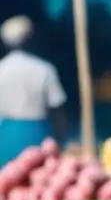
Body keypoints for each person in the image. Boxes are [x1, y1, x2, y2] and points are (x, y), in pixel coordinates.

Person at [0, 16, 67, 165]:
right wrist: (62, 138)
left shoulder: (1, 69)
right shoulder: (44, 69)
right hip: (37, 134)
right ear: (31, 40)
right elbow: (57, 109)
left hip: (6, 134)